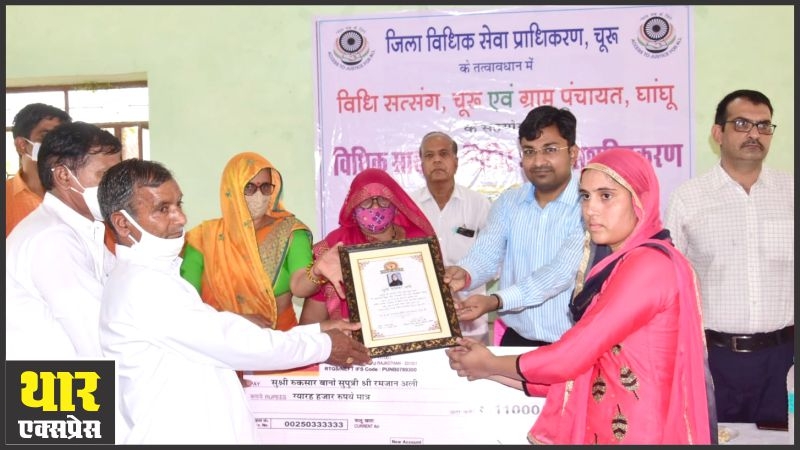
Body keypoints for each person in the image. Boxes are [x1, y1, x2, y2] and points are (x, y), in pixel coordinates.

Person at [446, 148, 714, 444]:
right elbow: (584, 371)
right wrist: (483, 367)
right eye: (585, 196)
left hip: (641, 431)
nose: (591, 209)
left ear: (641, 200)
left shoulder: (649, 266)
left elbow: (571, 357)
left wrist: (491, 364)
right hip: (609, 424)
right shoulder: (618, 265)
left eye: (606, 196)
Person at [97, 158, 372, 445]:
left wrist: (318, 331)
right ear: (122, 223)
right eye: (163, 209)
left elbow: (217, 336)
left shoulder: (156, 277)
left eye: (179, 204)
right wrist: (324, 345)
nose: (180, 218)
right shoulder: (144, 285)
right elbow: (236, 343)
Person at [664, 89, 794, 425]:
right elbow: (667, 284)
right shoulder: (688, 199)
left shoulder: (791, 193)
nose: (754, 134)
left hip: (785, 361)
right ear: (718, 133)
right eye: (742, 124)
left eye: (763, 126)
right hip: (712, 359)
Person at [443, 105, 584, 347]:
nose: (538, 161)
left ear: (572, 153)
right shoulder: (509, 202)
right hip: (516, 340)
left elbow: (560, 273)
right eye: (529, 151)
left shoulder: (588, 203)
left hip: (573, 343)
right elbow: (487, 254)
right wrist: (465, 273)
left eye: (550, 149)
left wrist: (497, 300)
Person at [6, 121, 122, 357]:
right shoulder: (53, 238)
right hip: (52, 379)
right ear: (64, 176)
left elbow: (124, 292)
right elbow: (94, 337)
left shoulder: (81, 229)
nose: (115, 187)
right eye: (105, 176)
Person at [180, 152, 329, 331]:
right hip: (220, 340)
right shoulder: (203, 238)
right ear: (232, 189)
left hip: (280, 339)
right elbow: (187, 305)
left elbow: (300, 287)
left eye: (265, 187)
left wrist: (317, 271)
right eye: (249, 187)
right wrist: (235, 321)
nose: (258, 195)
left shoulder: (290, 232)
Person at [299, 168, 436, 323]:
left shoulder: (418, 240)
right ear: (353, 205)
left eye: (382, 199)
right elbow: (309, 323)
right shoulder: (336, 244)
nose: (375, 207)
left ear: (396, 203)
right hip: (351, 337)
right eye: (366, 200)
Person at [411, 131, 493, 345]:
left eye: (444, 154)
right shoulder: (408, 206)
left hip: (470, 315)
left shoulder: (478, 204)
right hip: (421, 317)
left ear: (455, 162)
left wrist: (468, 274)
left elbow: (496, 256)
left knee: (474, 365)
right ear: (421, 164)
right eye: (429, 155)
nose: (437, 160)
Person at [6, 103, 72, 236]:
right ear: (22, 145)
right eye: (45, 136)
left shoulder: (79, 194)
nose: (56, 145)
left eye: (61, 138)